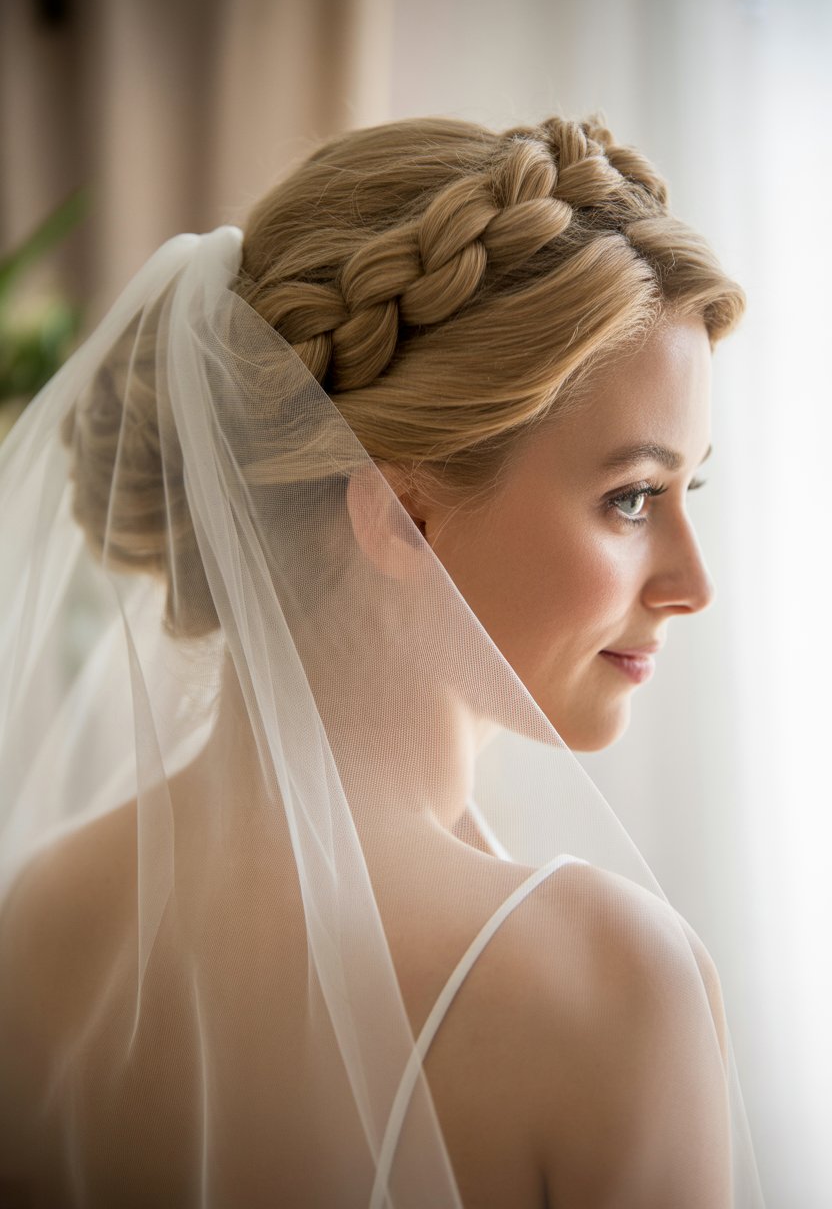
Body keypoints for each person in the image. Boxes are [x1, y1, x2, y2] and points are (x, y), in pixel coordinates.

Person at [0, 113, 765, 1207]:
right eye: (632, 497)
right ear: (400, 516)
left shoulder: (43, 915)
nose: (692, 583)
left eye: (690, 488)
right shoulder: (604, 987)